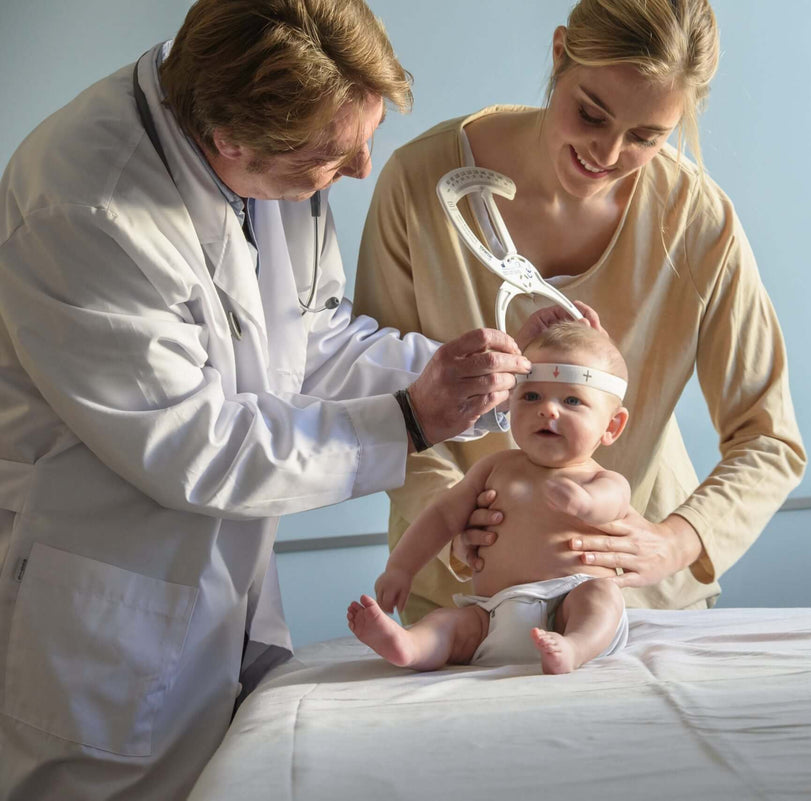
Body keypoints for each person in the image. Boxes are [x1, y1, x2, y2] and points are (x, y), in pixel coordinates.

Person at [0, 1, 572, 798]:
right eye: (337, 156)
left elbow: (309, 341)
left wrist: (463, 379)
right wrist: (410, 418)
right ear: (230, 142)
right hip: (106, 621)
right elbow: (195, 446)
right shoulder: (87, 210)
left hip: (221, 596)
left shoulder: (268, 156)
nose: (365, 169)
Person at [355, 0, 807, 626]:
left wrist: (676, 541)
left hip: (639, 607)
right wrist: (458, 525)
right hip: (463, 601)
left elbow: (769, 438)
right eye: (591, 114)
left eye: (647, 137)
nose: (607, 152)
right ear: (560, 51)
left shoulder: (697, 221)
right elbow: (385, 402)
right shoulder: (421, 183)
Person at [348, 322, 632, 675]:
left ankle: (575, 648)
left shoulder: (601, 480)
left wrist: (584, 503)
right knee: (450, 623)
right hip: (493, 612)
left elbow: (612, 503)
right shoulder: (493, 468)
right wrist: (401, 568)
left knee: (602, 597)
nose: (548, 410)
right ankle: (410, 645)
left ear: (612, 427)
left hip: (568, 605)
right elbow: (441, 518)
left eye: (571, 400)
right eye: (531, 396)